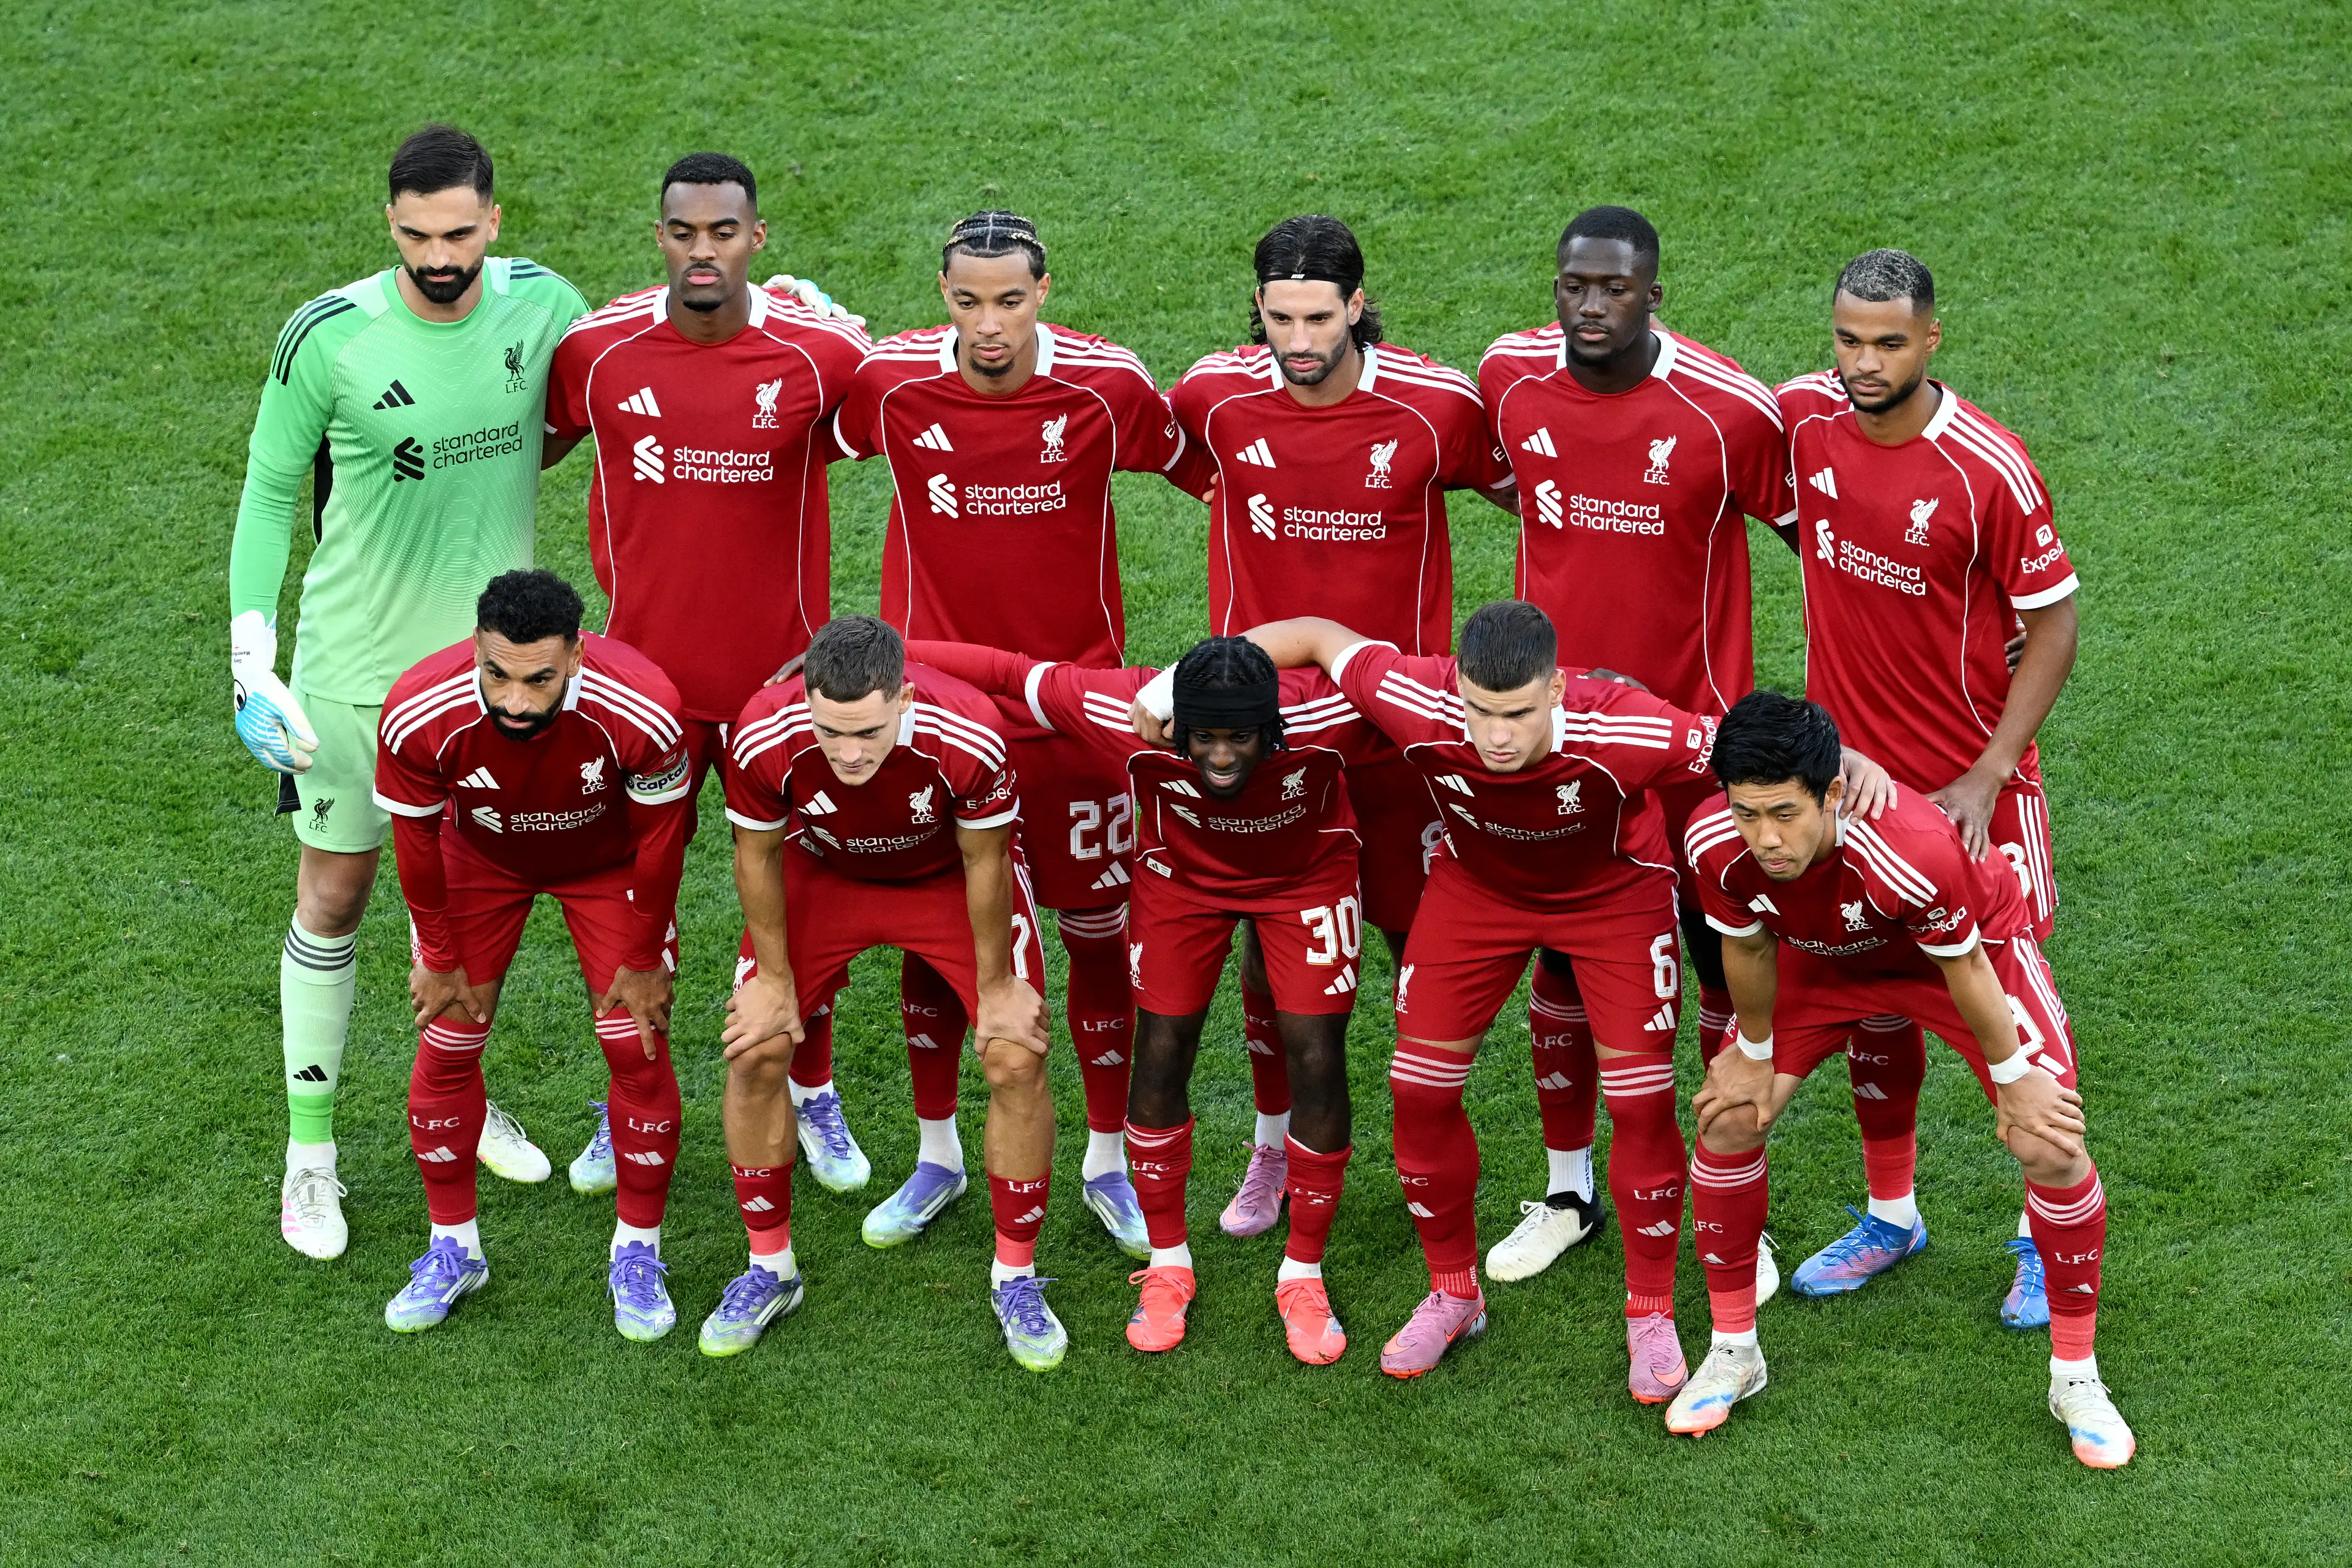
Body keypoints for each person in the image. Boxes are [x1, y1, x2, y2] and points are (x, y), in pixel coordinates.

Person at [1241, 603, 1852, 1392]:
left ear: (1558, 688)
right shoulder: (1414, 698)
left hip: (1613, 897)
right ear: (1455, 686)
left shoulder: (1628, 729)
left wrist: (1854, 765)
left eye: (1520, 713)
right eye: (1481, 711)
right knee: (1417, 1090)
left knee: (1639, 1105)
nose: (1497, 736)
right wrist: (1174, 690)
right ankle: (1452, 1293)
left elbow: (1741, 749)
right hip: (1477, 892)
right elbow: (1320, 637)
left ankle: (1652, 1313)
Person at [229, 124, 587, 1259]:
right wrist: (250, 652)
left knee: (476, 903)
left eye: (459, 233)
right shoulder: (328, 338)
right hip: (352, 681)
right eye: (416, 235)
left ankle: (461, 1098)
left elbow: (625, 383)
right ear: (392, 225)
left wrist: (769, 311)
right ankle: (312, 1156)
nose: (440, 255)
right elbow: (269, 487)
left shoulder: (545, 307)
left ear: (495, 217)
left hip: (493, 683)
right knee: (335, 900)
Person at [830, 211, 1193, 1258]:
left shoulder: (1106, 386)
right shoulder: (888, 383)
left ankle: (1110, 1159)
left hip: (1072, 720)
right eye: (966, 299)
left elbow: (1213, 473)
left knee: (1096, 937)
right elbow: (801, 429)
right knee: (945, 937)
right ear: (940, 292)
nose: (989, 324)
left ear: (1046, 291)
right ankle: (939, 1153)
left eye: (1011, 299)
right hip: (932, 714)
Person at [1672, 690, 2130, 1468]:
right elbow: (1747, 949)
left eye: (1785, 812)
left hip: (1959, 957)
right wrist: (1751, 1049)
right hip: (1825, 962)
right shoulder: (1715, 842)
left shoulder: (1909, 848)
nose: (1766, 838)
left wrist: (2015, 1076)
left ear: (1834, 791)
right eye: (1748, 812)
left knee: (2047, 1142)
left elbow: (1968, 964)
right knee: (1726, 1118)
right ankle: (1734, 1352)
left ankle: (2076, 1379)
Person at [1167, 214, 1513, 1235]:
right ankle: (1274, 1150)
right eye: (1280, 318)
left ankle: (1423, 1149)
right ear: (1258, 309)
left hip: (1397, 736)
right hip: (1263, 744)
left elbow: (1527, 493)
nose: (1301, 340)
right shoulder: (1216, 398)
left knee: (1421, 941)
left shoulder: (1435, 406)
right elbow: (1195, 468)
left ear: (1358, 306)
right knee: (1269, 955)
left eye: (1320, 317)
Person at [1476, 205, 1799, 1286]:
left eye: (1615, 288)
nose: (1593, 306)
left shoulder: (1727, 413)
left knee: (1721, 970)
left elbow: (1820, 539)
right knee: (1562, 965)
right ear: (1555, 288)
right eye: (1575, 286)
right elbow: (1505, 476)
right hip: (1562, 751)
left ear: (1655, 293)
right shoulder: (1512, 380)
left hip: (1693, 753)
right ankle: (1570, 1191)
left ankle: (1731, 1205)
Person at [544, 151, 873, 1199]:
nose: (702, 252)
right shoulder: (596, 352)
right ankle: (626, 1094)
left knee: (797, 896)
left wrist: (852, 321)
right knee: (638, 900)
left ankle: (811, 1088)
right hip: (645, 692)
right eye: (683, 233)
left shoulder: (819, 355)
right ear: (660, 237)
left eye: (723, 233)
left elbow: (906, 403)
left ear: (756, 240)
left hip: (781, 691)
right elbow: (521, 449)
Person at [911, 635, 1378, 1363]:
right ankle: (1168, 1263)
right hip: (1181, 880)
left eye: (1241, 739)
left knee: (1316, 1053)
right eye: (1204, 739)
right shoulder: (1125, 709)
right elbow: (1011, 672)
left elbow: (1433, 691)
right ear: (1174, 722)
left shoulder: (1330, 713)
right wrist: (884, 654)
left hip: (1307, 878)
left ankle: (1303, 1272)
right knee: (1161, 1049)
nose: (1221, 757)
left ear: (1276, 728)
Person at [1774, 249, 2080, 1319]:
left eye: (1889, 342)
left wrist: (1989, 773)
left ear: (1932, 340)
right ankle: (1891, 1214)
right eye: (1849, 339)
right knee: (1873, 1002)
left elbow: (2055, 623)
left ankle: (2048, 1228)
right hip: (1849, 791)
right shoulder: (1805, 421)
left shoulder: (1985, 467)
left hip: (1971, 791)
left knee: (2014, 1001)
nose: (1864, 361)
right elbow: (1785, 510)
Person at [707, 617, 1058, 1367]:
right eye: (831, 732)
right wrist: (773, 981)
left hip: (943, 878)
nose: (849, 752)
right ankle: (769, 1268)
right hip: (825, 872)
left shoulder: (969, 732)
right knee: (757, 1049)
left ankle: (1017, 1277)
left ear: (904, 695)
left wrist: (996, 987)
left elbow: (987, 861)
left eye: (867, 730)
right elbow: (758, 855)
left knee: (1015, 1056)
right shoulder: (763, 732)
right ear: (804, 699)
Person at [371, 571, 694, 1340]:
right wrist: (440, 953)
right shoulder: (421, 708)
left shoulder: (645, 708)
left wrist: (645, 956)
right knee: (447, 1040)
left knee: (635, 1044)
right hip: (479, 861)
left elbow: (659, 843)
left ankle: (638, 1252)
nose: (514, 701)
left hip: (608, 865)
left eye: (538, 679)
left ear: (577, 657)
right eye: (497, 674)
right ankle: (453, 1247)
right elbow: (414, 838)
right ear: (477, 650)